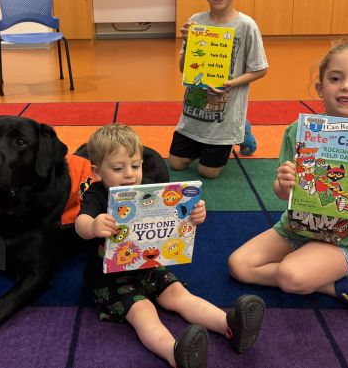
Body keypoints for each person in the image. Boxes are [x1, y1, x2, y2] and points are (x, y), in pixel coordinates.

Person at [228, 41, 348, 315]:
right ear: (320, 88)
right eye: (335, 78)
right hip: (296, 228)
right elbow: (283, 194)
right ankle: (332, 285)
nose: (346, 86)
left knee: (290, 276)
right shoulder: (299, 131)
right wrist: (284, 184)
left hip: (347, 240)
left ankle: (329, 275)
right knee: (239, 266)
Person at [75, 123, 265, 368]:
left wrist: (195, 214)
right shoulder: (97, 194)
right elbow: (81, 223)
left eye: (135, 165)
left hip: (149, 266)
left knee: (180, 295)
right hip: (110, 279)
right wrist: (92, 226)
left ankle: (230, 324)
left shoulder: (149, 189)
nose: (129, 174)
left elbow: (176, 217)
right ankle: (174, 353)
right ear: (98, 172)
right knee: (143, 311)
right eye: (118, 168)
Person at [169, 0, 268, 179]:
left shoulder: (246, 26)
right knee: (176, 164)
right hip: (194, 114)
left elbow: (260, 69)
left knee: (208, 173)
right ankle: (239, 126)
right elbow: (184, 69)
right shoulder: (196, 21)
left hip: (225, 114)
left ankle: (242, 128)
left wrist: (231, 83)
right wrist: (188, 43)